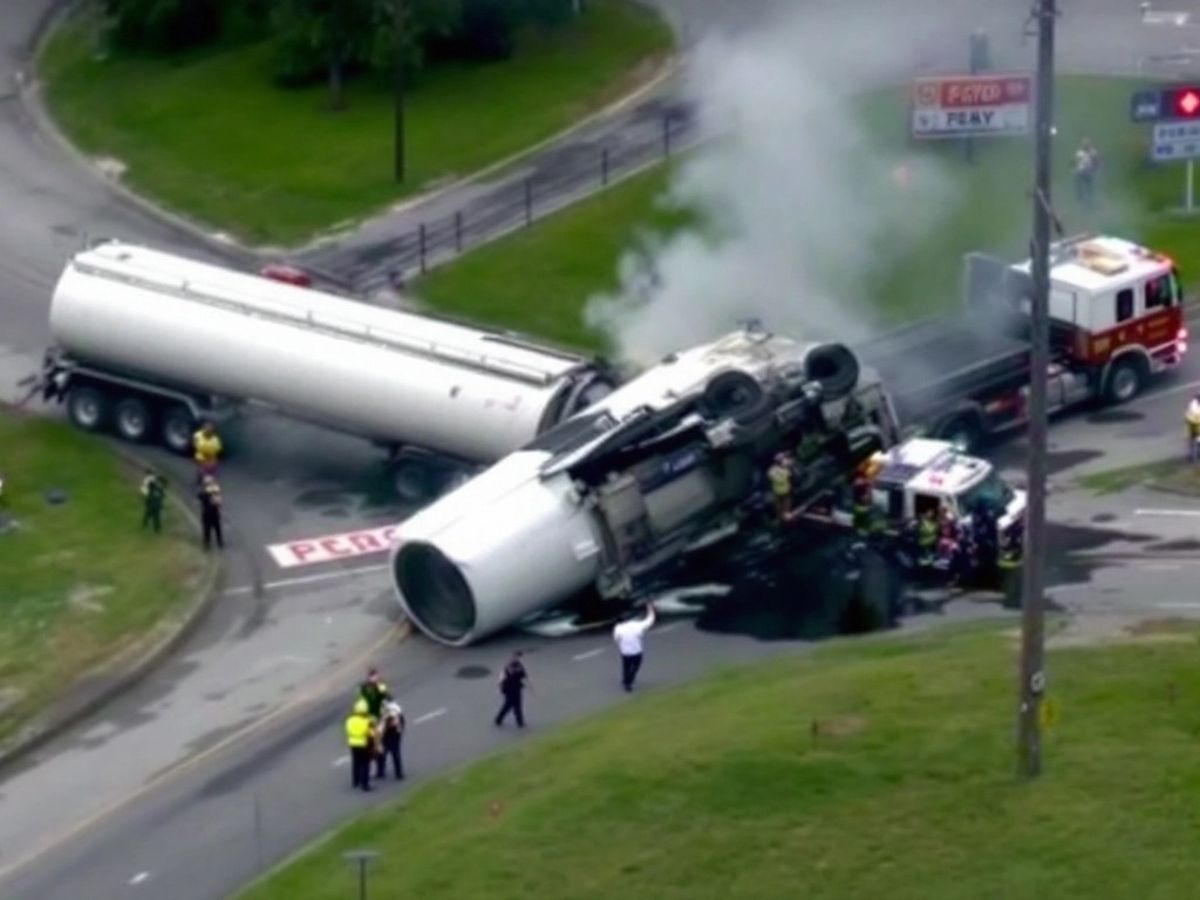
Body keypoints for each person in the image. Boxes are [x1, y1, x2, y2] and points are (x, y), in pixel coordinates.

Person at [613, 603, 656, 692]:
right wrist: (651, 610)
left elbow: (616, 639)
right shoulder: (637, 625)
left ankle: (625, 680)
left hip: (625, 652)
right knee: (635, 667)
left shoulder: (618, 628)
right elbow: (650, 621)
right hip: (637, 651)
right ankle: (628, 683)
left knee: (626, 667)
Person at [345, 698, 376, 792]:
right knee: (365, 764)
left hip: (352, 743)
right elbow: (372, 734)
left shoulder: (350, 720)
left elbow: (347, 730)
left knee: (356, 762)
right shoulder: (367, 721)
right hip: (363, 743)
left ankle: (355, 781)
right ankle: (365, 784)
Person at [494, 651, 530, 728]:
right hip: (509, 689)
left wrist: (528, 685)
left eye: (518, 657)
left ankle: (520, 722)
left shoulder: (519, 665)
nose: (516, 658)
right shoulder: (508, 666)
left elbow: (524, 675)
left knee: (517, 705)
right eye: (515, 657)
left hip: (517, 688)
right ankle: (498, 719)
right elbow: (502, 678)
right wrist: (500, 688)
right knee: (508, 705)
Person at [376, 698, 405, 781]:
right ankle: (382, 772)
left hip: (392, 735)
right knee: (384, 754)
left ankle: (396, 773)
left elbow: (382, 728)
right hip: (391, 735)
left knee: (391, 753)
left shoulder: (391, 713)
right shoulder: (394, 711)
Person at [197, 474, 224, 550]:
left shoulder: (214, 491)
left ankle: (218, 542)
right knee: (208, 530)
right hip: (208, 513)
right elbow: (201, 496)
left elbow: (218, 502)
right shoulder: (204, 493)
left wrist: (214, 494)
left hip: (212, 513)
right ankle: (208, 544)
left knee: (216, 528)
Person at [767, 452, 793, 523]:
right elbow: (775, 478)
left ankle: (785, 514)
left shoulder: (786, 468)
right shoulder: (773, 471)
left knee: (786, 501)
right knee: (779, 504)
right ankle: (780, 517)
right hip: (778, 491)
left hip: (785, 490)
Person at [1074, 138, 1100, 208]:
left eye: (1087, 144)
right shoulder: (1079, 153)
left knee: (1089, 188)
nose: (1085, 146)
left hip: (1089, 173)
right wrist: (1075, 168)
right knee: (1080, 187)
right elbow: (1076, 162)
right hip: (1081, 172)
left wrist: (1095, 169)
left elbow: (1096, 161)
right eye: (1084, 144)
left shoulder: (1093, 152)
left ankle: (1090, 202)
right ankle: (1080, 200)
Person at [140, 469, 166, 534]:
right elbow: (149, 485)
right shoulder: (153, 486)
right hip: (151, 505)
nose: (160, 484)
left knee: (156, 518)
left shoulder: (160, 490)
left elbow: (162, 496)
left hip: (156, 506)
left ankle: (157, 530)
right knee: (148, 515)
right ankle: (145, 525)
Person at [1186, 394, 1200, 463]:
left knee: (1193, 440)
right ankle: (1192, 455)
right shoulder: (1194, 406)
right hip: (1194, 424)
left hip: (1192, 423)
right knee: (1195, 439)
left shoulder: (1193, 404)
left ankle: (1192, 454)